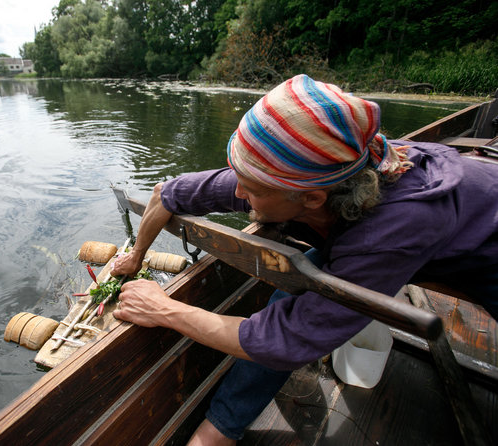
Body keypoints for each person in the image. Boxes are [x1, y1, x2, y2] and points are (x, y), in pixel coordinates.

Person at [110, 74, 498, 445]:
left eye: (252, 187)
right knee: (299, 291)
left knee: (298, 308)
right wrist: (136, 257)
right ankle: (223, 427)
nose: (238, 190)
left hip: (486, 253)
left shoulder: (386, 231)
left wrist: (165, 309)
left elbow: (285, 340)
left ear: (312, 199)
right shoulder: (294, 175)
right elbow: (166, 194)